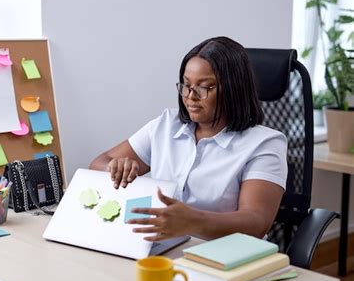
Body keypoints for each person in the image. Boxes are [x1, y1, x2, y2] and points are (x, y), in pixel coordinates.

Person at [89, 36, 287, 242]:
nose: (190, 96)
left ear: (233, 88)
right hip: (166, 247)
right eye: (186, 85)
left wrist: (194, 221)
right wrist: (115, 168)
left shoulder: (265, 144)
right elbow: (98, 163)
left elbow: (255, 222)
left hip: (226, 256)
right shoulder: (166, 125)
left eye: (204, 87)